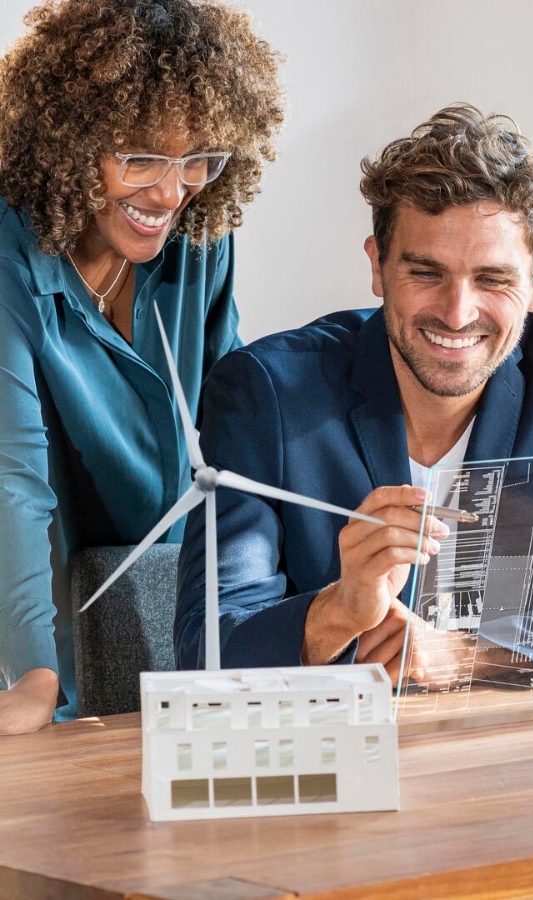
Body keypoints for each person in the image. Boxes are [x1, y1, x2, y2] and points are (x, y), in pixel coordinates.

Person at [176, 103, 533, 687]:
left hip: (509, 752)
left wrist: (465, 653)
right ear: (377, 266)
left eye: (493, 278)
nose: (457, 313)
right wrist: (339, 611)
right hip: (333, 759)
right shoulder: (266, 392)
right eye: (426, 273)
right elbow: (206, 651)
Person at [0, 0, 285, 734]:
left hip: (169, 577)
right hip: (37, 583)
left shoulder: (198, 237)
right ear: (68, 143)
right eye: (140, 158)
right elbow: (15, 481)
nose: (171, 191)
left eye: (199, 158)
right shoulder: (9, 264)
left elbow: (233, 421)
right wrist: (33, 676)